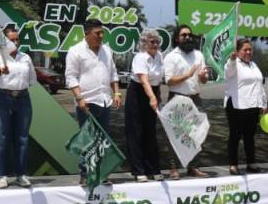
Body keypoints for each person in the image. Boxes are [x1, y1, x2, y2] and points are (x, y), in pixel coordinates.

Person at [65, 19, 120, 185]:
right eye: (97, 33)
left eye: (102, 33)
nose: (101, 36)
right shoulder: (75, 51)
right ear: (87, 34)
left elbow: (113, 73)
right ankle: (85, 173)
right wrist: (79, 98)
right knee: (88, 139)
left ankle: (101, 173)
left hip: (105, 100)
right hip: (87, 102)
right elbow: (70, 77)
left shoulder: (107, 51)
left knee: (102, 140)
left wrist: (116, 92)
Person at [0, 25, 37, 189]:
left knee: (22, 138)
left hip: (23, 99)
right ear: (5, 41)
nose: (15, 42)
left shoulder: (26, 58)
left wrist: (19, 87)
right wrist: (2, 69)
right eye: (12, 39)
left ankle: (20, 174)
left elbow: (32, 79)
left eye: (17, 39)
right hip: (3, 99)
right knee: (3, 138)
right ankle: (2, 175)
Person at [162, 24, 210, 179]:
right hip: (177, 98)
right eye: (184, 35)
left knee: (197, 134)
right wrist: (187, 75)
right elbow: (169, 81)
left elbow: (203, 81)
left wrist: (203, 77)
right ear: (177, 38)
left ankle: (193, 167)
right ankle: (173, 168)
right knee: (175, 134)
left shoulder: (199, 55)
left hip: (195, 98)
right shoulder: (171, 56)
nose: (188, 37)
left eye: (190, 35)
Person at [124, 29, 165, 182]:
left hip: (152, 92)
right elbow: (144, 80)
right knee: (136, 132)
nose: (155, 44)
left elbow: (158, 80)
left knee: (150, 132)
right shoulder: (140, 57)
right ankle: (138, 170)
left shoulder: (160, 56)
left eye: (157, 42)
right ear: (144, 43)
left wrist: (157, 96)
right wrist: (152, 97)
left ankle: (153, 168)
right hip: (138, 93)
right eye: (152, 42)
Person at [224, 38, 267, 175]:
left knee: (249, 136)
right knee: (235, 136)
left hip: (253, 105)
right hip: (236, 105)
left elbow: (259, 84)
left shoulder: (253, 65)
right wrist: (231, 59)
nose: (248, 52)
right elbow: (227, 72)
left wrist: (263, 102)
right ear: (237, 51)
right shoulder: (233, 64)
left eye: (250, 49)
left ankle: (251, 162)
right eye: (245, 50)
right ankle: (233, 164)